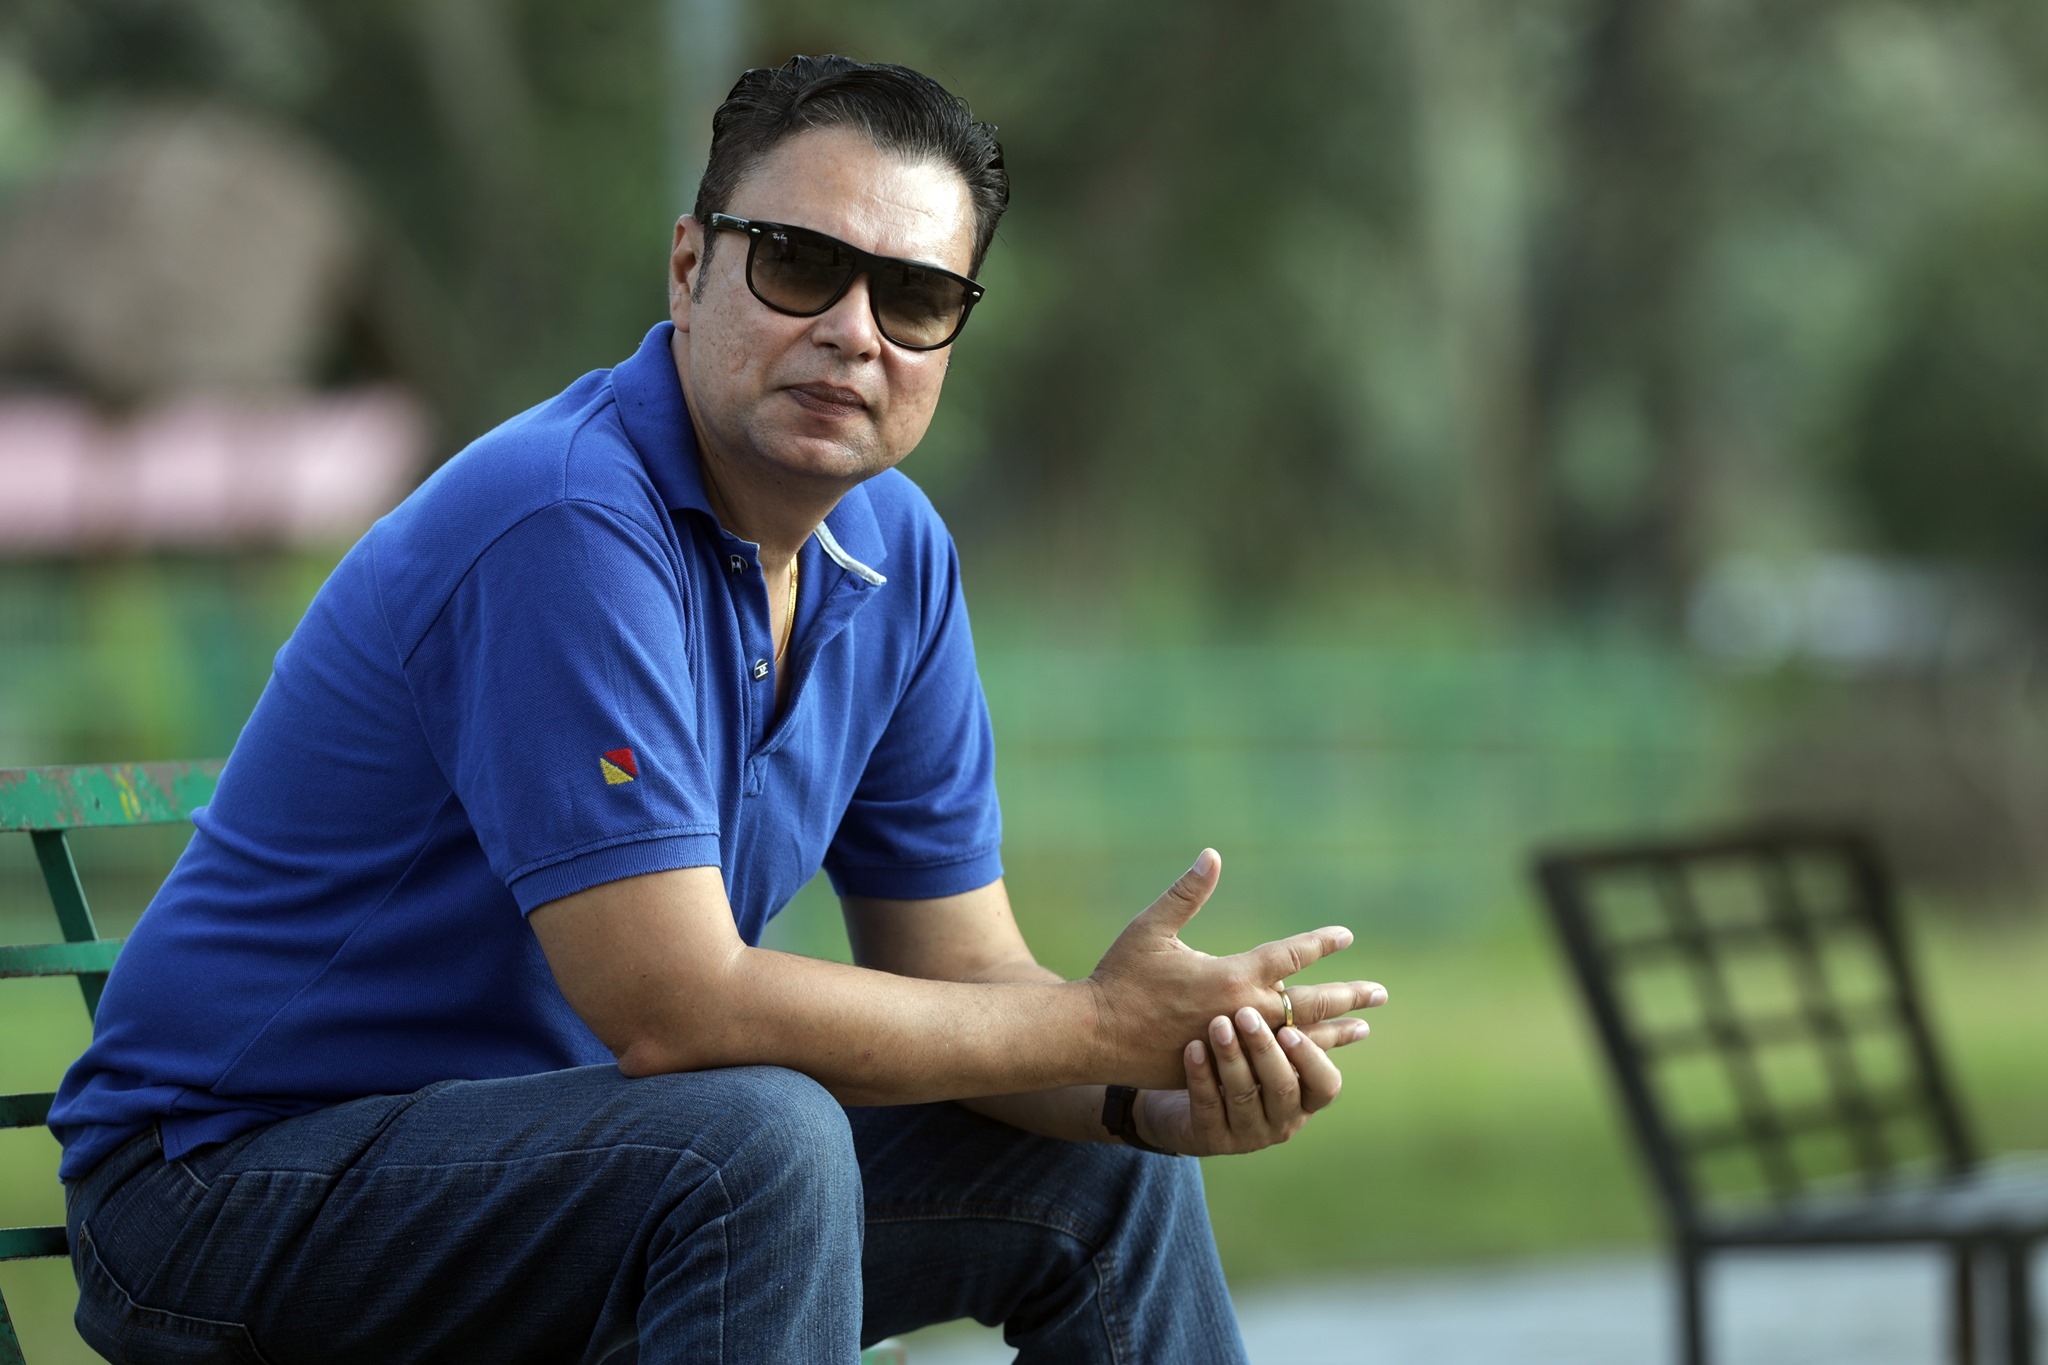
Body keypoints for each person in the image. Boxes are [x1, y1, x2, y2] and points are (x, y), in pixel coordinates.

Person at [50, 54, 1387, 1364]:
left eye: (915, 296)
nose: (854, 330)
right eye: (800, 265)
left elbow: (968, 980)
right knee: (755, 1140)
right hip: (226, 1182)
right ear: (689, 267)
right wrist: (1096, 1024)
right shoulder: (566, 519)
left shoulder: (898, 558)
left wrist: (1143, 1096)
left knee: (1098, 1175)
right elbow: (676, 1007)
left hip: (575, 1166)